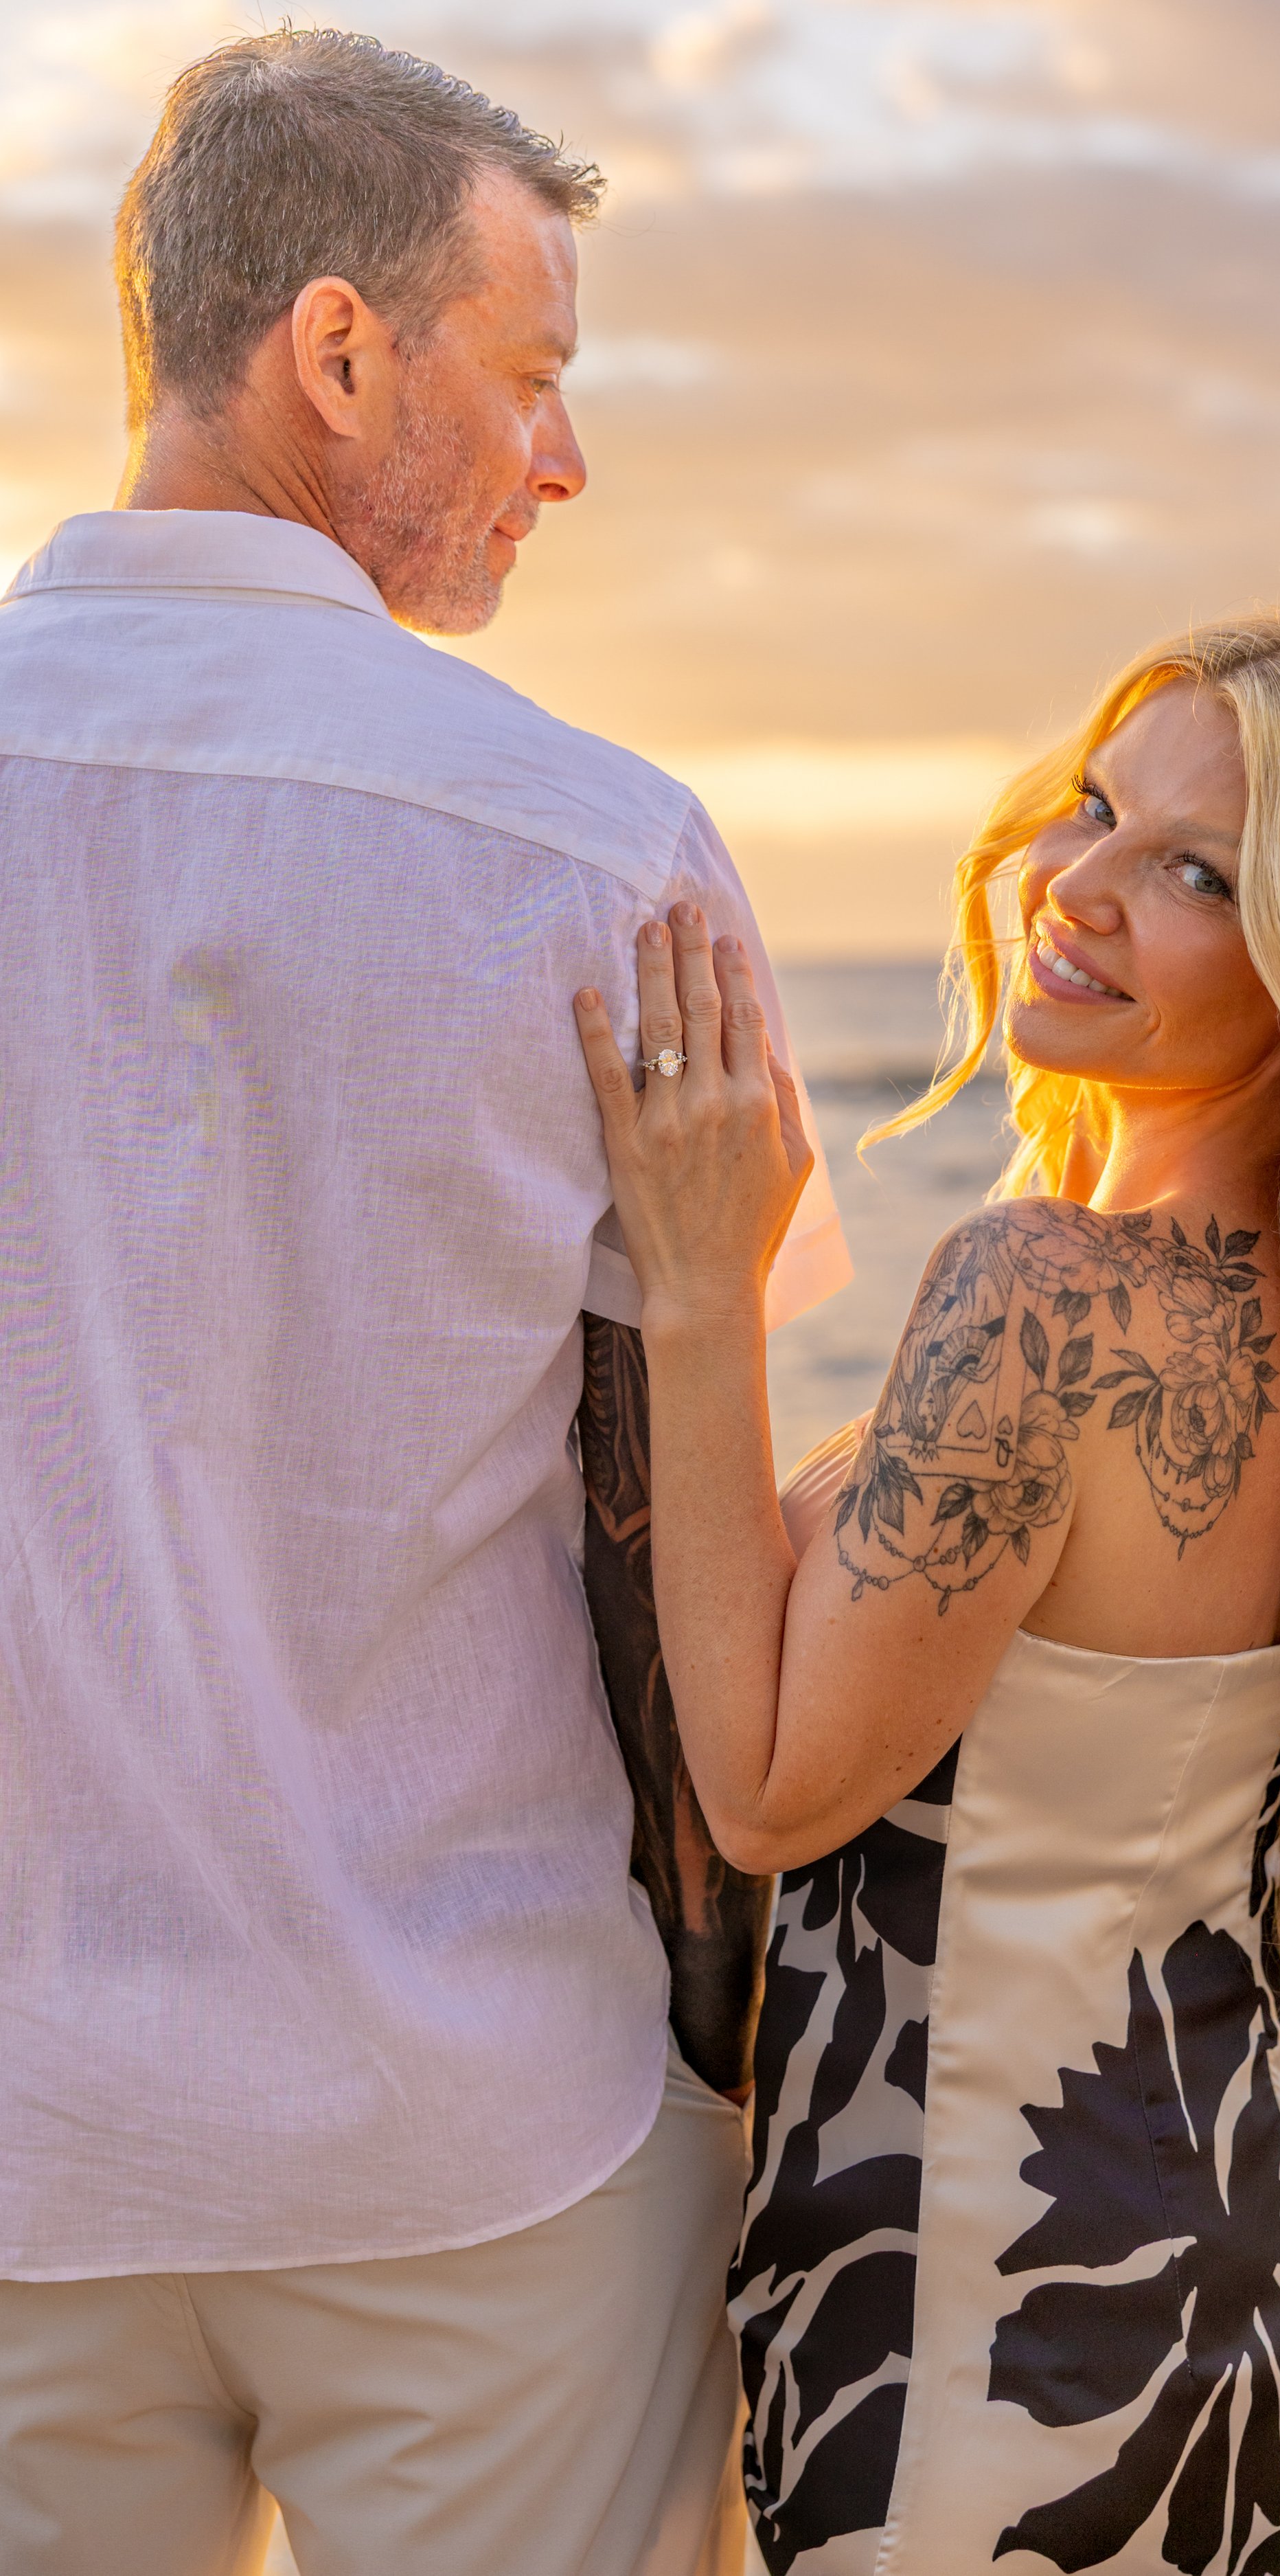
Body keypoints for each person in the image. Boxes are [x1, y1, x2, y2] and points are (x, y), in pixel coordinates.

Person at [0, 30, 847, 2576]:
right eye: (538, 370)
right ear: (340, 348)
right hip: (471, 2124)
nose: (566, 460)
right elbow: (696, 1499)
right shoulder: (591, 853)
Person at [578, 611, 1280, 2576]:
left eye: (1196, 874)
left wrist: (702, 1292)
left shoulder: (1049, 1292)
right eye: (1097, 813)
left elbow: (777, 1795)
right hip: (1247, 2267)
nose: (1078, 887)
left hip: (985, 2304)